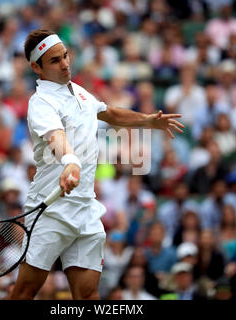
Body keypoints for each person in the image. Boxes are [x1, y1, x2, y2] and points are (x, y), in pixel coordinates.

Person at [10, 29, 184, 300]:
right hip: (51, 210)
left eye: (65, 56)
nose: (65, 63)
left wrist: (148, 121)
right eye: (55, 60)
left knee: (88, 294)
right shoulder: (40, 102)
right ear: (36, 67)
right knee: (25, 292)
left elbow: (109, 113)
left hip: (86, 209)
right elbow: (56, 137)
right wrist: (70, 162)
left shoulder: (78, 92)